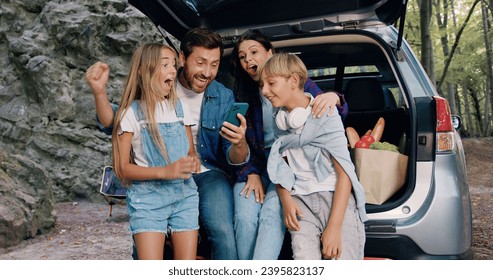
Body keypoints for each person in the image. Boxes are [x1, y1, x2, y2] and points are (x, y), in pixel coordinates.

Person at [85, 28, 250, 260]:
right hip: (158, 181)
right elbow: (114, 121)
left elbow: (231, 155)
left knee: (222, 229)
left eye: (214, 64)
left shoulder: (222, 96)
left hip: (206, 173)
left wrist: (239, 143)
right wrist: (99, 93)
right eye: (201, 62)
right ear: (183, 58)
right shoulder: (159, 87)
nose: (207, 72)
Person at [229, 32, 348, 259]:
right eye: (242, 57)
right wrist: (250, 172)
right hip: (257, 167)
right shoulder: (242, 95)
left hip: (287, 169)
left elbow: (332, 116)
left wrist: (334, 97)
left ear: (269, 53)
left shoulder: (295, 85)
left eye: (254, 52)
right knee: (244, 217)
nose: (248, 61)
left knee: (272, 213)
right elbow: (236, 142)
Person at [261, 53, 367, 260]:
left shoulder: (326, 113)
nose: (264, 90)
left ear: (293, 81)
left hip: (335, 199)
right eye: (262, 85)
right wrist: (286, 201)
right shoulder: (280, 119)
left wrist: (334, 228)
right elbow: (281, 165)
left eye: (271, 83)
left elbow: (345, 172)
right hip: (300, 201)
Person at [109, 43, 200, 260]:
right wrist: (165, 171)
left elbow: (190, 152)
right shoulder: (130, 114)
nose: (172, 70)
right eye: (165, 65)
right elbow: (122, 169)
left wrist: (192, 161)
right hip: (148, 199)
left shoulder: (180, 109)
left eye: (174, 65)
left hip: (184, 195)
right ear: (144, 71)